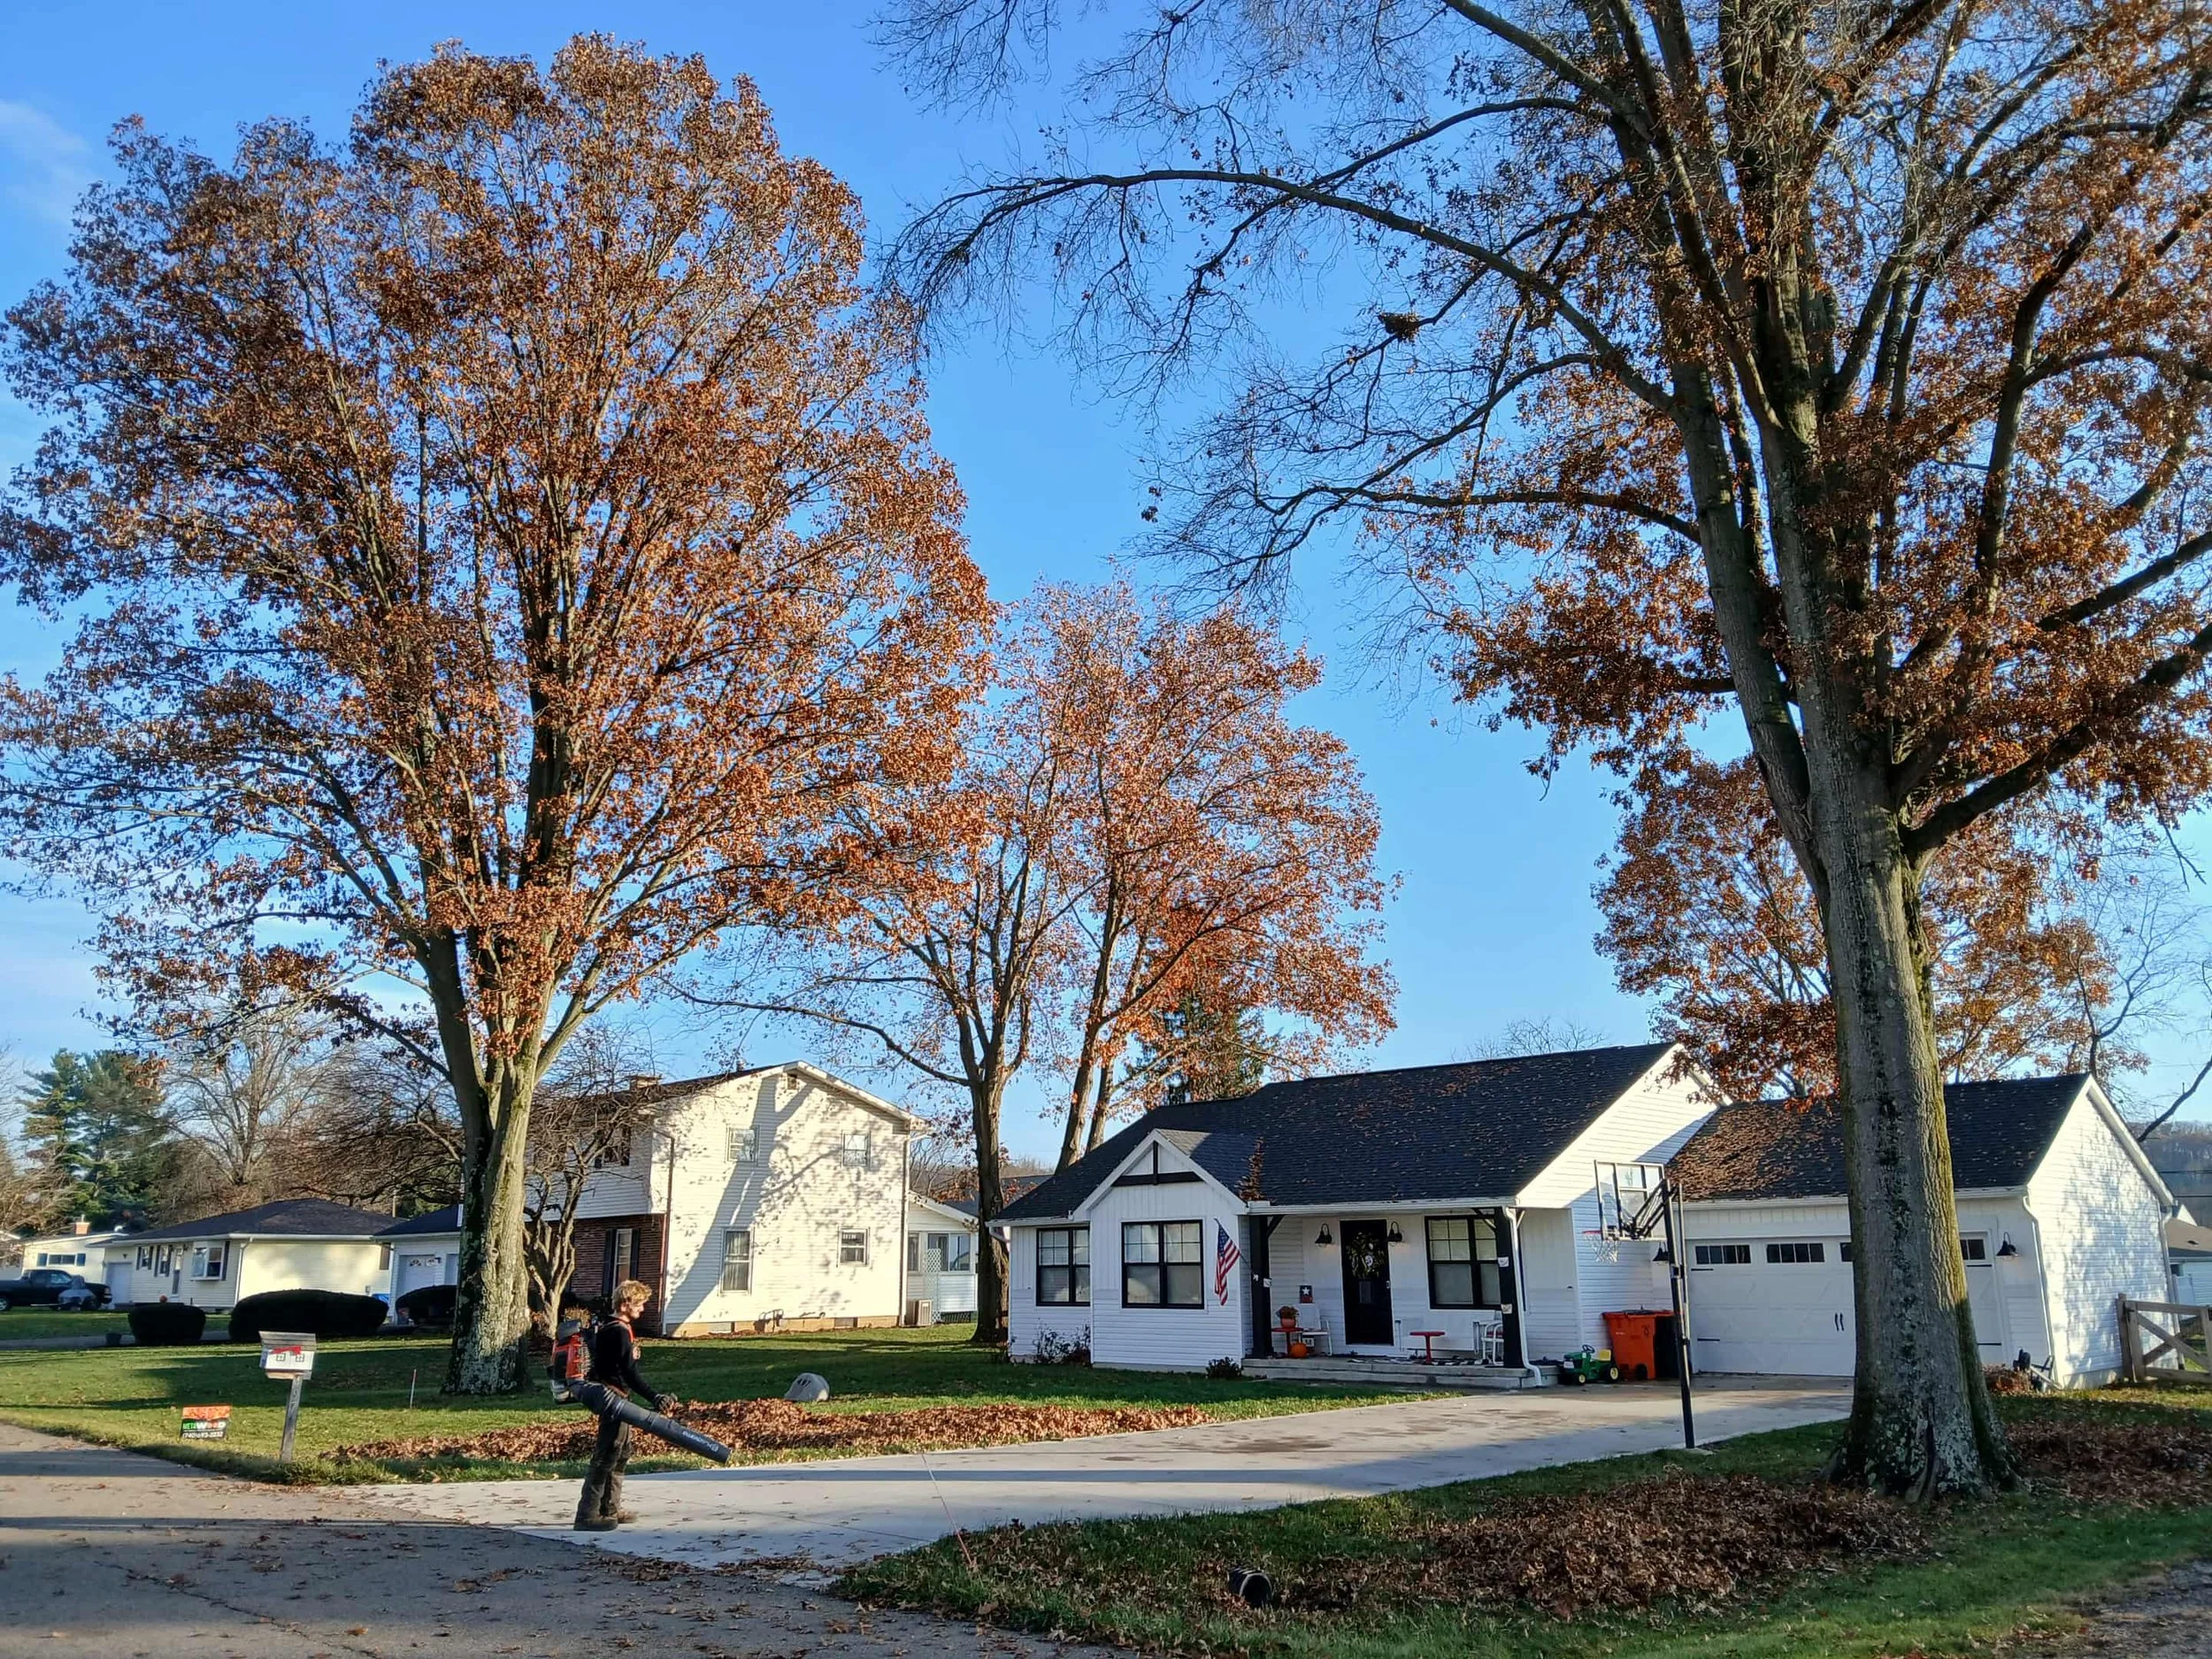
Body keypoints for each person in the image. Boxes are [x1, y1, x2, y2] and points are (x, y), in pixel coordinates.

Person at [574, 1279, 680, 1532]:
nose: (642, 1309)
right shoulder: (619, 1331)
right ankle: (587, 1514)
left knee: (620, 1453)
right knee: (607, 1455)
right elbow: (629, 1373)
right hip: (615, 1399)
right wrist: (655, 1397)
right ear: (625, 1305)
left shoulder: (608, 1326)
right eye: (639, 1304)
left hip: (615, 1396)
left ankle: (610, 1508)